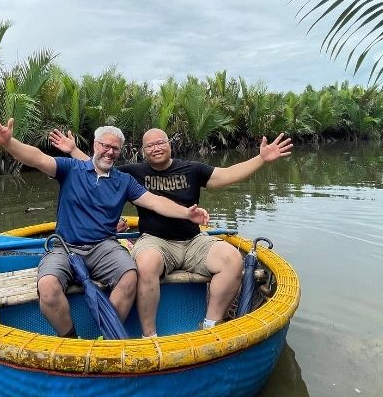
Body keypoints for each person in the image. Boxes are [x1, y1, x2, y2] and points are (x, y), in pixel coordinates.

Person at [48, 127, 293, 336]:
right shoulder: (133, 173)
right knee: (145, 264)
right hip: (155, 241)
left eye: (160, 143)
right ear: (143, 151)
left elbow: (227, 175)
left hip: (193, 240)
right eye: (150, 145)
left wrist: (261, 158)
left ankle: (210, 324)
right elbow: (100, 165)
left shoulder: (192, 169)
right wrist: (73, 150)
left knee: (232, 259)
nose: (156, 148)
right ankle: (149, 335)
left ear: (170, 144)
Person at [0, 120, 210, 339]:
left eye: (115, 148)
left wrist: (187, 213)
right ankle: (71, 339)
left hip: (104, 247)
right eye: (105, 146)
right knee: (48, 286)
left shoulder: (124, 181)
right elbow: (37, 158)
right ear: (95, 145)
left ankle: (106, 337)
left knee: (129, 276)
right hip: (65, 247)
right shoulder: (71, 169)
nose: (110, 152)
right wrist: (8, 142)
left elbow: (155, 202)